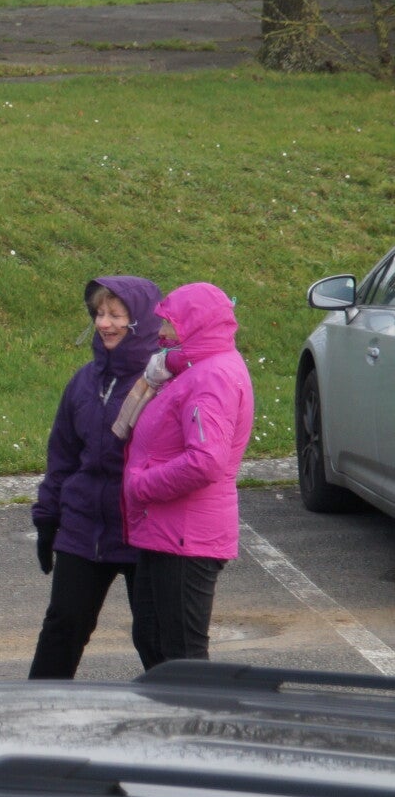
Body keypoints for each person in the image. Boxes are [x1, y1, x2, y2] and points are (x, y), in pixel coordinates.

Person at [28, 277, 165, 678]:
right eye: (99, 314)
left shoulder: (162, 383)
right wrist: (47, 518)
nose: (104, 323)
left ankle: (181, 712)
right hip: (84, 527)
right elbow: (62, 456)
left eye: (116, 315)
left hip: (144, 530)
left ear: (141, 321)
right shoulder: (84, 381)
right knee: (62, 629)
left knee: (156, 640)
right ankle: (37, 710)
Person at [122, 283, 254, 664]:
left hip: (186, 536)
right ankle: (168, 705)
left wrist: (141, 486)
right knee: (151, 638)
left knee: (182, 655)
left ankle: (194, 708)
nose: (162, 332)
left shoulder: (212, 379)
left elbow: (206, 460)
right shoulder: (197, 366)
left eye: (170, 324)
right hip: (167, 530)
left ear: (196, 325)